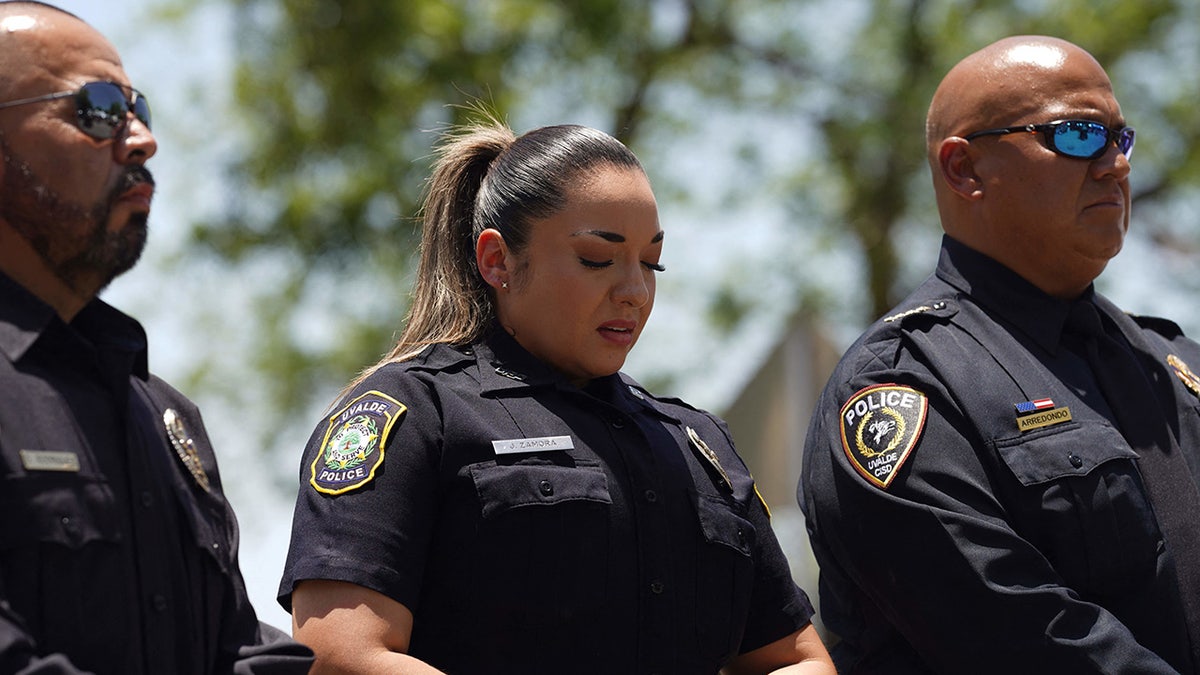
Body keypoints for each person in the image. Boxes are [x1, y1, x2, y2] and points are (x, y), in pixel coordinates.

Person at [277, 118, 835, 674]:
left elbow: (798, 659)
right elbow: (340, 655)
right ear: (497, 260)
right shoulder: (414, 414)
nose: (635, 292)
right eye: (598, 259)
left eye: (650, 262)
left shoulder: (698, 445)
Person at [799, 34, 1200, 674]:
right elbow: (1020, 637)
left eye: (1120, 139)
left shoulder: (1174, 363)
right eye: (1076, 136)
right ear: (965, 169)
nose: (1116, 166)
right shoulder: (903, 386)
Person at [0, 3, 313, 673]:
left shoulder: (165, 416)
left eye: (140, 109)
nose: (141, 139)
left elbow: (230, 647)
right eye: (99, 108)